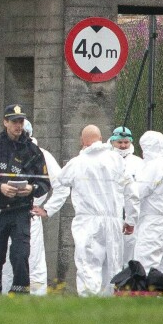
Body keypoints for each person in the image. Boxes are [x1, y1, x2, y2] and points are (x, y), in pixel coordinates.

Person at [55, 125, 139, 297]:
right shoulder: (117, 160)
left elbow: (61, 180)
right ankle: (108, 309)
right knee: (112, 267)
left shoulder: (77, 163)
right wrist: (130, 220)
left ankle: (88, 304)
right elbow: (132, 193)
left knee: (88, 265)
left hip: (88, 222)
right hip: (114, 222)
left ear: (82, 141)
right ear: (101, 138)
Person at [0, 104, 50, 294]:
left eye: (21, 121)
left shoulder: (33, 151)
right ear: (5, 122)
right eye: (14, 122)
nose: (18, 126)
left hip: (20, 212)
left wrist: (30, 189)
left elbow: (44, 184)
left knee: (20, 256)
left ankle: (20, 296)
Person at [0, 119, 70, 296]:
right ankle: (7, 304)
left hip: (28, 215)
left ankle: (35, 303)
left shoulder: (41, 155)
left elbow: (62, 185)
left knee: (31, 262)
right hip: (4, 213)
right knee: (6, 262)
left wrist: (47, 209)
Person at [133, 130, 163, 277]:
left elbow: (138, 192)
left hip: (153, 222)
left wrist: (127, 184)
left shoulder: (153, 167)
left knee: (145, 264)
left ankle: (145, 297)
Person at [110, 125, 144, 264]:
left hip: (131, 217)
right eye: (120, 142)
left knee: (129, 256)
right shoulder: (107, 160)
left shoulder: (139, 163)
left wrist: (132, 218)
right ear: (112, 142)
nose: (123, 145)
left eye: (126, 142)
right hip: (111, 215)